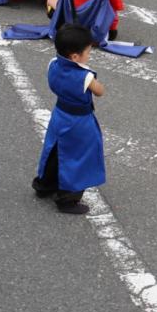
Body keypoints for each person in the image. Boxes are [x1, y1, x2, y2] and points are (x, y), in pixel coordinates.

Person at [31, 23, 106, 216]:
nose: (89, 56)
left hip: (60, 114)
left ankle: (44, 185)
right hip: (79, 122)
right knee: (78, 157)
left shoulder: (53, 64)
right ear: (75, 56)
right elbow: (100, 91)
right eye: (88, 52)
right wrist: (88, 74)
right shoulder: (84, 76)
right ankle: (67, 199)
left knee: (54, 149)